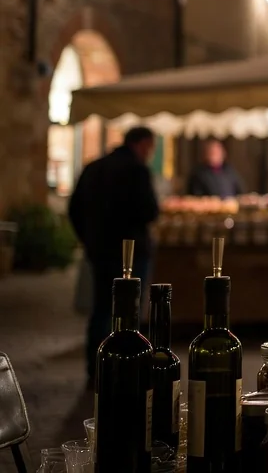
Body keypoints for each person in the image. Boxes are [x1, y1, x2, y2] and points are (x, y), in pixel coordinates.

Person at [68, 126, 160, 383]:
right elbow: (150, 211)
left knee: (101, 309)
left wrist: (89, 240)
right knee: (129, 312)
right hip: (132, 253)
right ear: (141, 144)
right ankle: (128, 371)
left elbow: (74, 209)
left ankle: (96, 371)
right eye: (149, 147)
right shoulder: (137, 170)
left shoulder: (94, 167)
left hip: (100, 251)